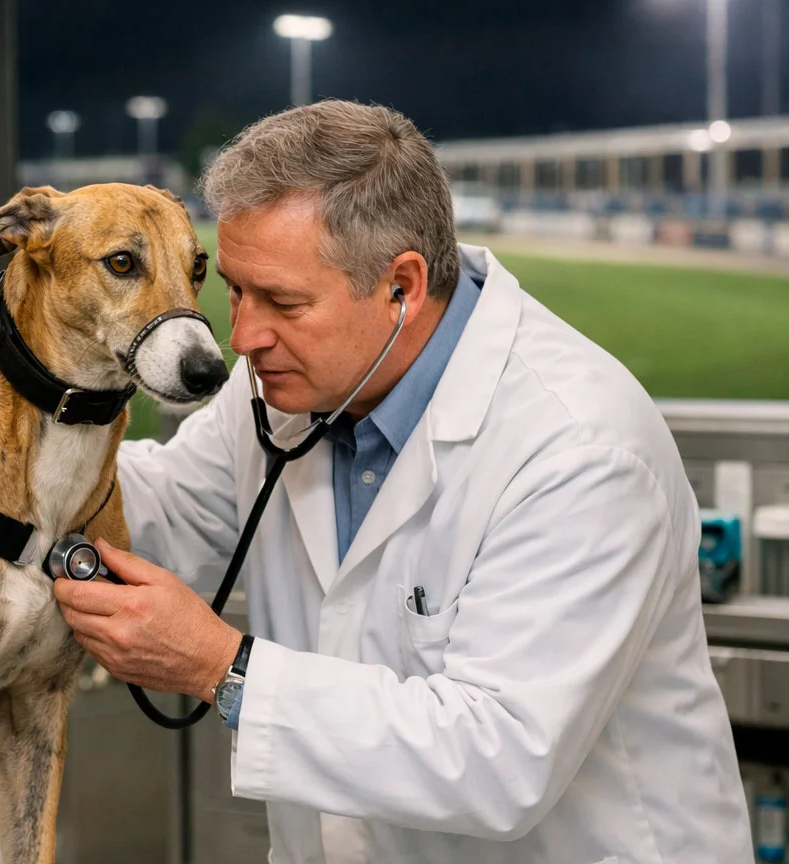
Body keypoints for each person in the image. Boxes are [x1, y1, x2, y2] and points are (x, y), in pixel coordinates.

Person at [54, 99, 753, 862]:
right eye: (234, 288)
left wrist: (222, 668)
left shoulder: (578, 449)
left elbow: (497, 759)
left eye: (283, 302)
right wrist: (13, 458)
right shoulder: (282, 390)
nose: (243, 338)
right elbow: (161, 511)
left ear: (403, 287)